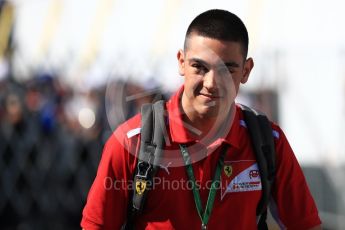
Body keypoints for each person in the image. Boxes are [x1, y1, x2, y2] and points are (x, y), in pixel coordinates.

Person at [81, 9, 322, 229]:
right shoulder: (132, 142)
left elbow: (306, 224)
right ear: (181, 62)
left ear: (246, 71)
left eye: (227, 69)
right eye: (200, 67)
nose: (212, 83)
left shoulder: (268, 141)